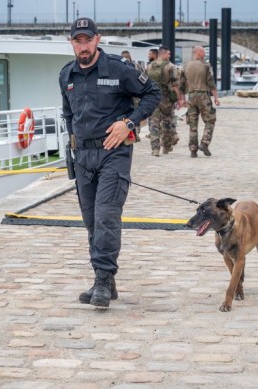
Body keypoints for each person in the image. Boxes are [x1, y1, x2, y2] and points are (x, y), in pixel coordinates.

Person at [59, 17, 161, 308]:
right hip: (83, 158)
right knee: (92, 221)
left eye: (87, 40)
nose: (83, 46)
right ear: (72, 43)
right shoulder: (66, 75)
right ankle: (105, 281)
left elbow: (153, 94)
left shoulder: (118, 69)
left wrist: (129, 123)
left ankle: (102, 279)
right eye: (78, 41)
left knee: (106, 216)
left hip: (113, 153)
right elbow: (69, 114)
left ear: (97, 39)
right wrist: (73, 142)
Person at [180, 45, 220, 158]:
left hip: (191, 96)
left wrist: (182, 99)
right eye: (203, 52)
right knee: (210, 120)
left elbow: (181, 85)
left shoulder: (186, 66)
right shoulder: (205, 65)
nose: (205, 54)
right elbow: (211, 83)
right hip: (203, 96)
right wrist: (216, 98)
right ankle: (204, 143)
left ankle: (193, 149)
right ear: (198, 53)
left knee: (192, 124)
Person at [146, 46, 186, 156]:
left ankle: (155, 148)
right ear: (163, 54)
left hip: (152, 98)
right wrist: (179, 99)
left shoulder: (149, 66)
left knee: (154, 123)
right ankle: (166, 147)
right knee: (167, 123)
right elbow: (175, 85)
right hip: (166, 99)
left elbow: (145, 83)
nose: (170, 55)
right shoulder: (170, 67)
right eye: (168, 53)